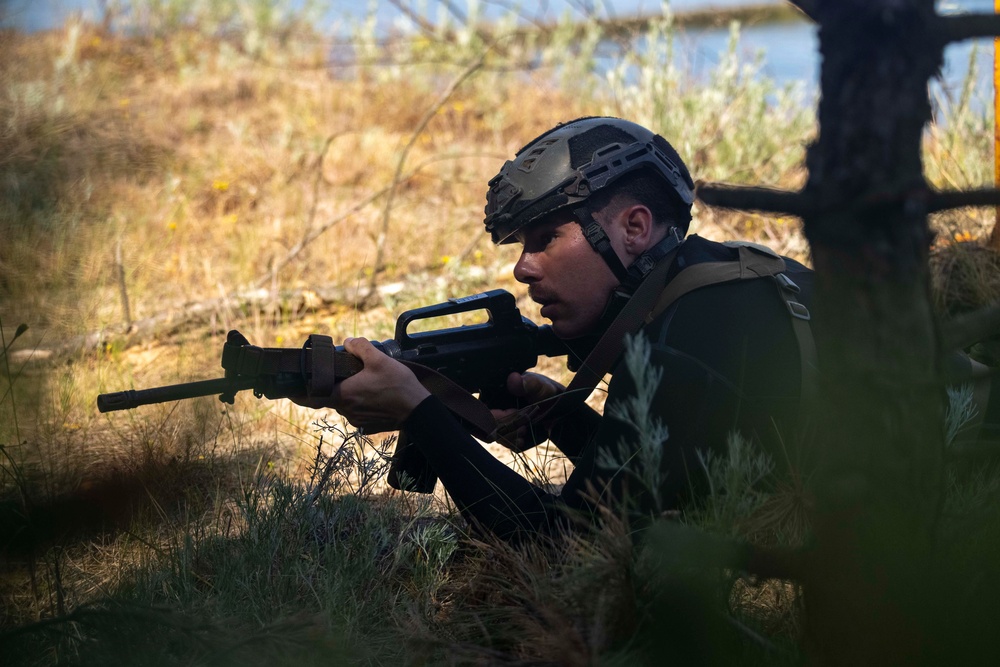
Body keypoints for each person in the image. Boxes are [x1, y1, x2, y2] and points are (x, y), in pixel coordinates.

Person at [300, 117, 815, 542]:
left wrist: (420, 412)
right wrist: (561, 420)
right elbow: (661, 482)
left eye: (547, 238)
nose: (523, 269)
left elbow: (562, 550)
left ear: (633, 229)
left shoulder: (678, 349)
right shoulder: (726, 284)